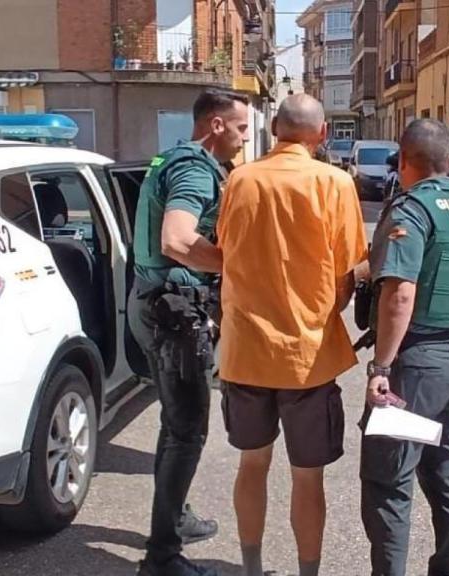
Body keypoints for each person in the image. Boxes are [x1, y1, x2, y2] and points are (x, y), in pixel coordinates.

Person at [216, 94, 369, 576]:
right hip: (309, 354)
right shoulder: (335, 182)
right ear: (322, 135)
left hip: (245, 351)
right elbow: (350, 268)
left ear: (275, 129)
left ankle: (251, 568)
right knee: (308, 479)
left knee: (252, 465)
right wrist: (330, 306)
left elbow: (225, 248)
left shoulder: (240, 179)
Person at [129, 89, 250, 576]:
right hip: (175, 316)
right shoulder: (195, 168)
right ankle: (162, 559)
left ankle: (173, 519)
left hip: (153, 304)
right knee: (187, 433)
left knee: (173, 427)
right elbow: (177, 239)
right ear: (216, 126)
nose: (245, 138)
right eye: (241, 128)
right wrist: (240, 266)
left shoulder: (169, 159)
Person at [360, 119, 449, 576]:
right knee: (446, 477)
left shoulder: (409, 211)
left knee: (389, 484)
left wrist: (381, 367)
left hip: (414, 368)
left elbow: (400, 294)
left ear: (404, 160)